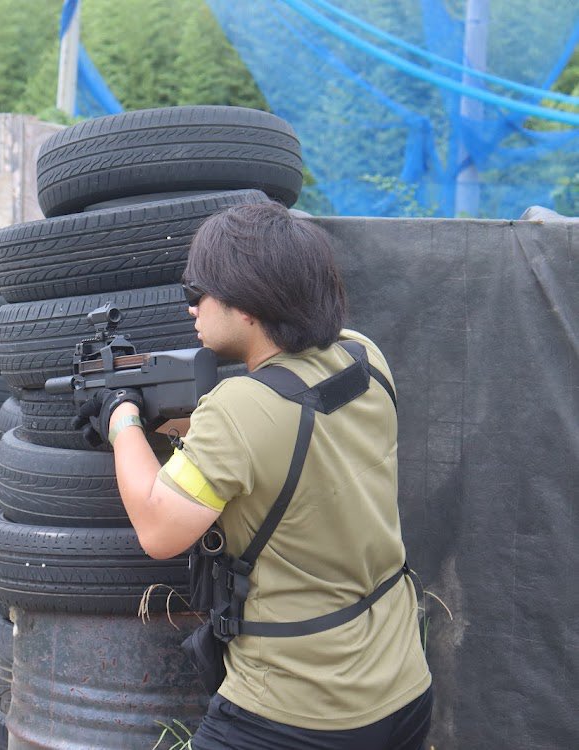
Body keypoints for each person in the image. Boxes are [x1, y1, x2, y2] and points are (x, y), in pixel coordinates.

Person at [79, 202, 432, 749]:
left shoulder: (238, 408)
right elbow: (295, 430)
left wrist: (122, 418)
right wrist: (178, 423)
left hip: (297, 707)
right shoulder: (364, 356)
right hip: (401, 681)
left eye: (198, 291)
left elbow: (158, 528)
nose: (192, 306)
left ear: (248, 302)